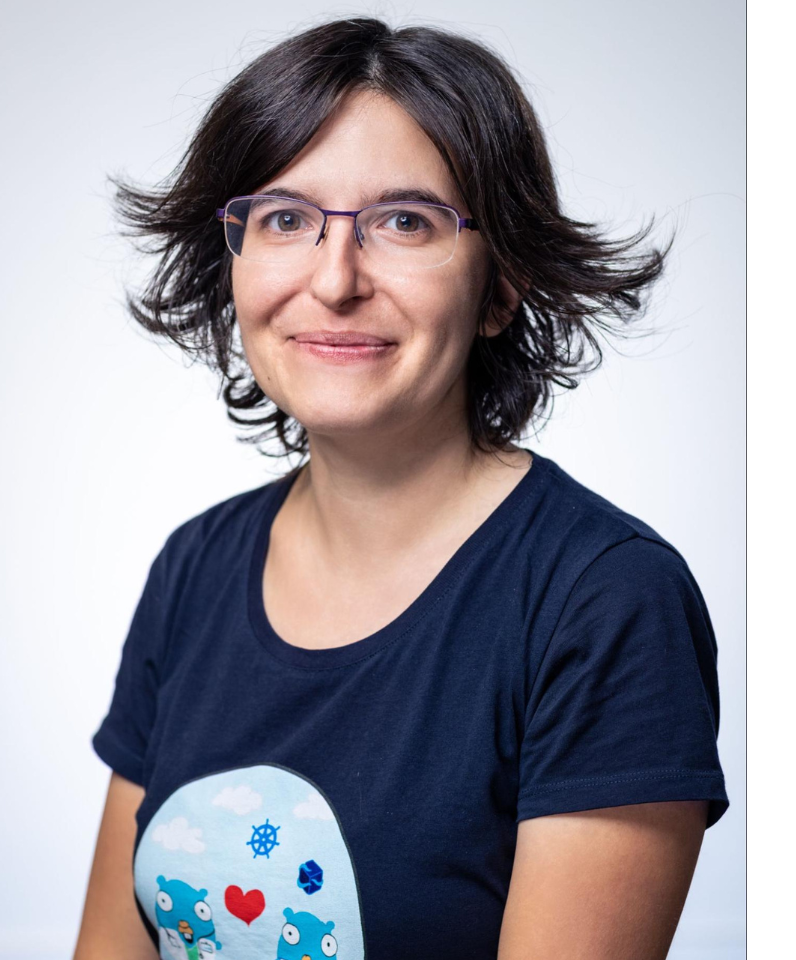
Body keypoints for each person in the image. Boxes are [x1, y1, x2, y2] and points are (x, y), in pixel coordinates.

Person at [74, 17, 729, 960]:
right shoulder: (195, 566)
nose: (334, 279)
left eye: (405, 221)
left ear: (502, 285)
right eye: (286, 219)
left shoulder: (604, 600)